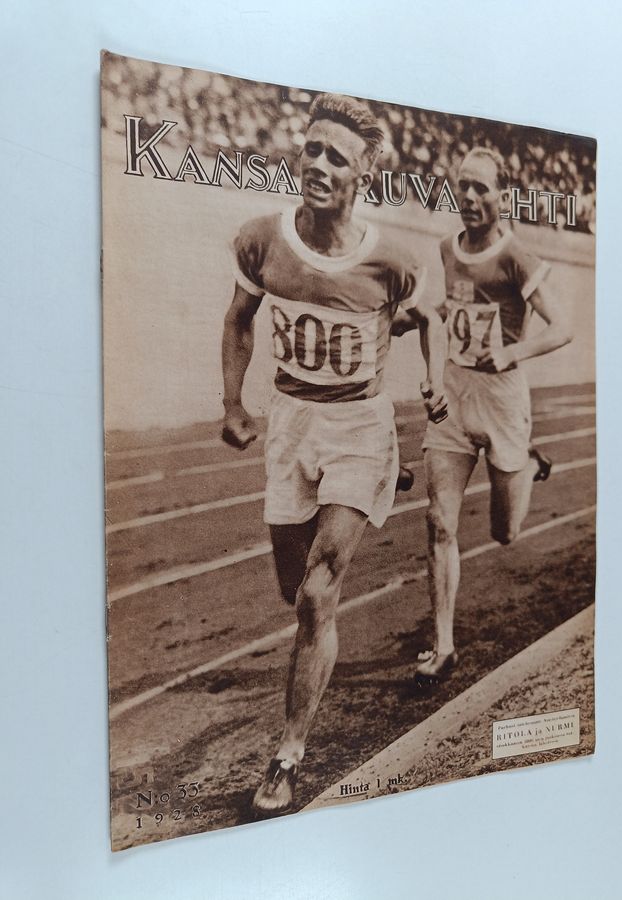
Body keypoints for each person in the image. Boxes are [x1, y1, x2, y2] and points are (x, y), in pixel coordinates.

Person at [221, 93, 448, 814]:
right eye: (312, 149)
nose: (318, 165)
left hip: (358, 426)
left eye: (337, 158)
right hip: (291, 425)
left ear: (363, 176)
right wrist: (233, 404)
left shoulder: (391, 259)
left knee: (320, 594)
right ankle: (374, 486)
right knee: (293, 589)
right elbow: (238, 320)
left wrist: (434, 380)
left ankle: (287, 755)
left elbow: (430, 318)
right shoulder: (262, 240)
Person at [396, 146, 573, 687]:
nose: (470, 197)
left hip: (501, 400)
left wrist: (513, 352)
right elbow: (457, 306)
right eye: (463, 185)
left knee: (505, 533)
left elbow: (562, 328)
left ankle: (527, 466)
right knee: (438, 522)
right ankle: (444, 645)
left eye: (481, 187)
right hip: (454, 396)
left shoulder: (517, 257)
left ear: (503, 195)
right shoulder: (447, 248)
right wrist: (412, 319)